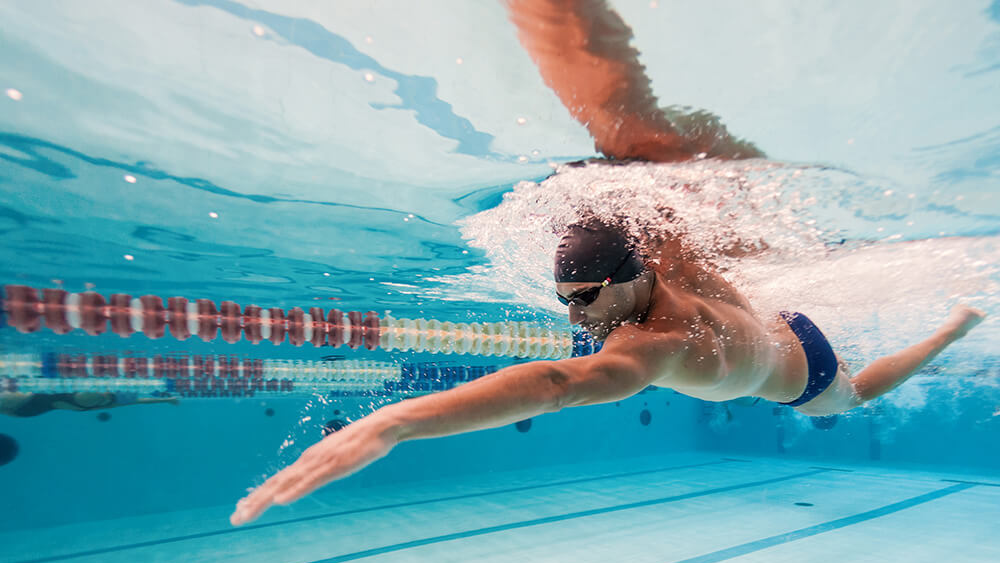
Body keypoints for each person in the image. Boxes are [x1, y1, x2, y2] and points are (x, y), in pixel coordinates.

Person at [228, 0, 985, 525]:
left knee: (851, 396)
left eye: (586, 297)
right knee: (636, 142)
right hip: (769, 328)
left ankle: (953, 327)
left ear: (629, 277)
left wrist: (395, 423)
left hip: (802, 366)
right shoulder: (663, 255)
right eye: (567, 299)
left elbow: (560, 382)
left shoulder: (650, 346)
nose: (576, 316)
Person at [0, 391, 178, 418]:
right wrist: (166, 400)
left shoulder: (85, 397)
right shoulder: (103, 404)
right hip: (27, 411)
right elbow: (138, 402)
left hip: (29, 403)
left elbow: (136, 402)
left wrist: (166, 400)